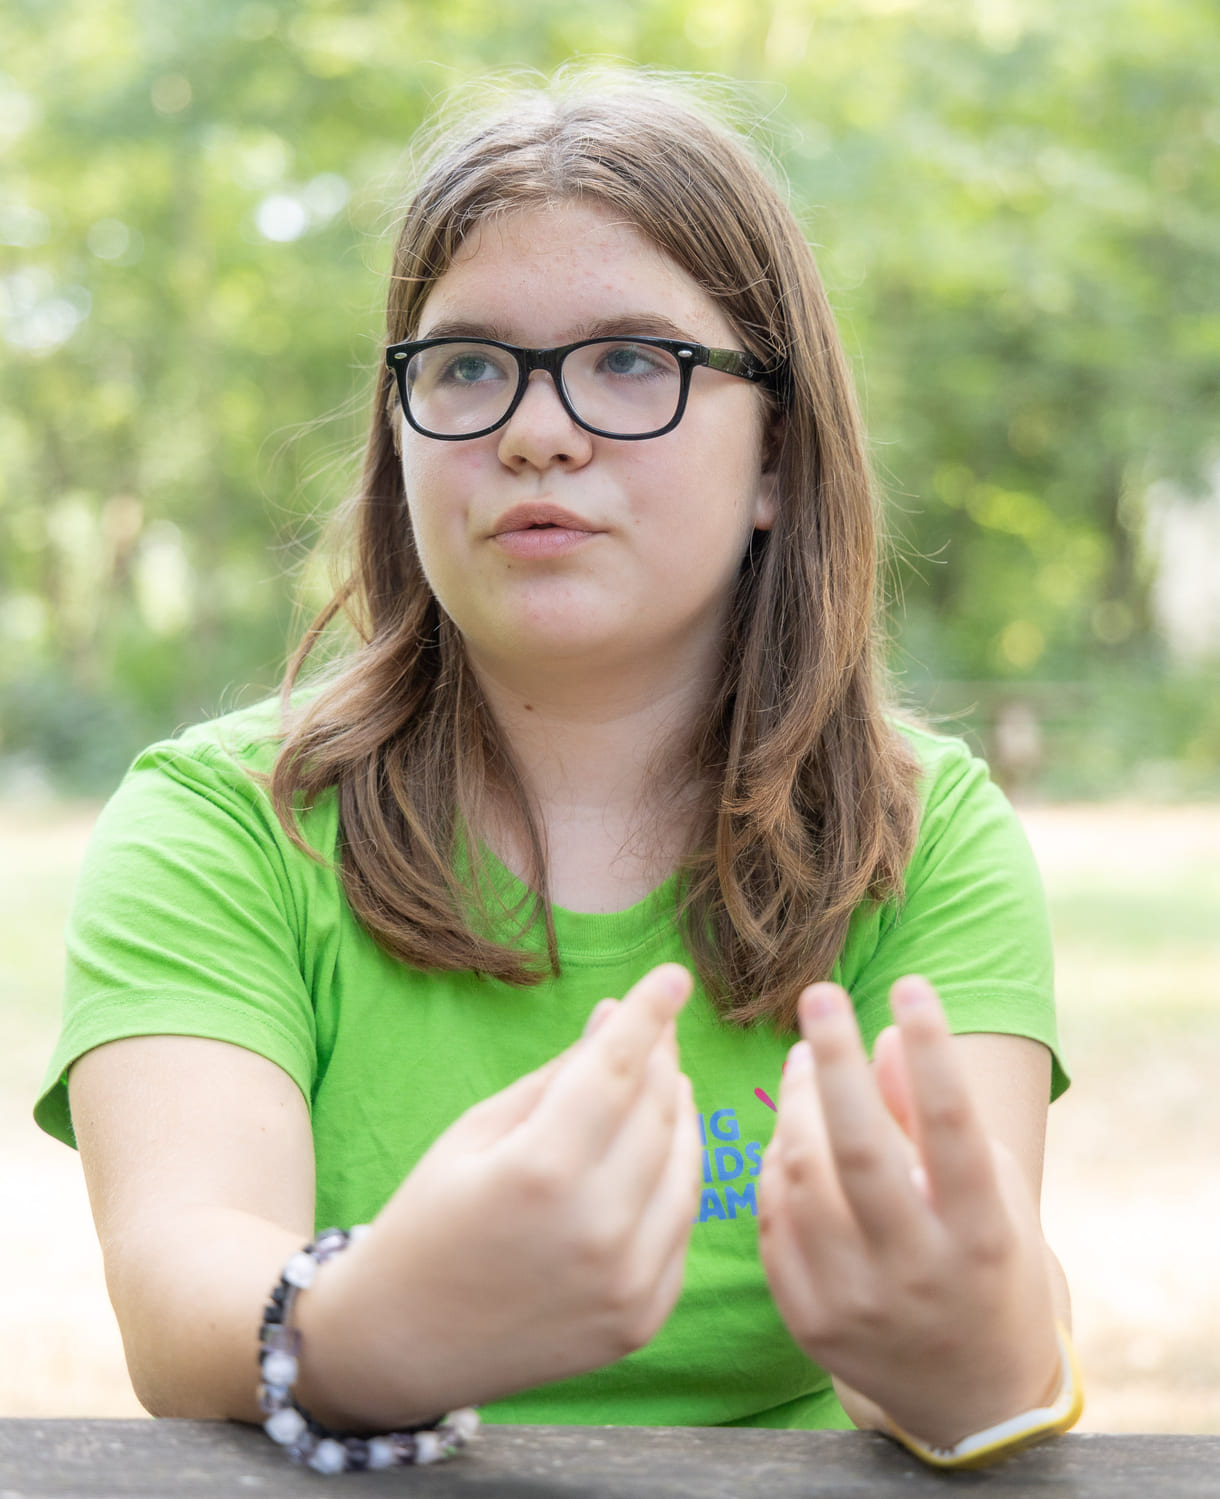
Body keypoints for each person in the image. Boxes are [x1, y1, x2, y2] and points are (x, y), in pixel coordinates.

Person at [35, 69, 1081, 1473]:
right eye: (466, 365)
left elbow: (991, 1324)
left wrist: (965, 1352)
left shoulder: (922, 831)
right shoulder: (223, 825)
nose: (537, 427)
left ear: (777, 453)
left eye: (633, 361)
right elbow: (182, 1291)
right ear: (401, 433)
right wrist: (388, 1327)